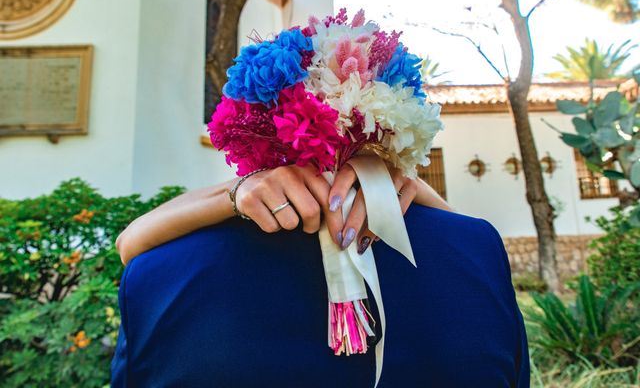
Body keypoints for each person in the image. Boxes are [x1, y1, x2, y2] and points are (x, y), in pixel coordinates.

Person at [111, 163, 530, 387]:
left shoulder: (154, 270)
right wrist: (407, 185)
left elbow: (130, 244)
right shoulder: (478, 249)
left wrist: (234, 193)